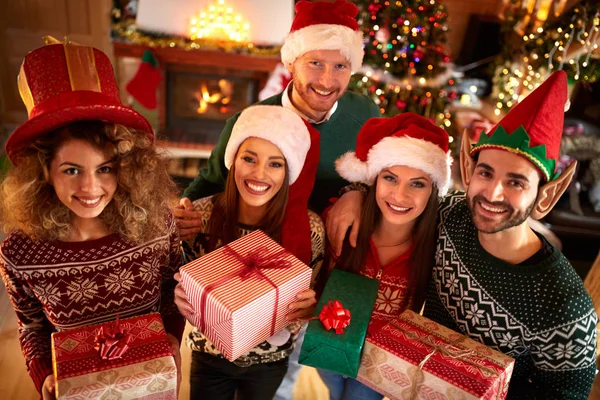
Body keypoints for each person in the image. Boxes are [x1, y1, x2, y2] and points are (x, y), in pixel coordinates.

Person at [0, 41, 185, 399]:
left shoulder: (156, 223)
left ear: (127, 170)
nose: (91, 187)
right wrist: (44, 376)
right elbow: (31, 325)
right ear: (44, 172)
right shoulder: (20, 252)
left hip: (151, 382)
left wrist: (173, 338)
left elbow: (169, 289)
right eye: (72, 170)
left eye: (105, 169)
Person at [423, 70, 597, 398]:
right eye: (485, 173)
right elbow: (398, 199)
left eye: (516, 182)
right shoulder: (451, 214)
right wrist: (356, 193)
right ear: (469, 172)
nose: (493, 194)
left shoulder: (566, 310)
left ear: (543, 195)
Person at [173, 105, 326, 400]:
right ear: (232, 160)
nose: (259, 173)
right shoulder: (200, 217)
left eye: (275, 164)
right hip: (209, 356)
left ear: (289, 171)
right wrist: (179, 295)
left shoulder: (310, 230)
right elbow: (179, 279)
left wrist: (309, 308)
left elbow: (313, 294)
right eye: (249, 158)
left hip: (270, 361)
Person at [317, 113, 452, 400]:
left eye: (417, 183)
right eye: (390, 178)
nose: (400, 195)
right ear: (373, 180)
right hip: (326, 347)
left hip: (379, 367)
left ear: (433, 190)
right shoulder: (339, 221)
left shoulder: (437, 248)